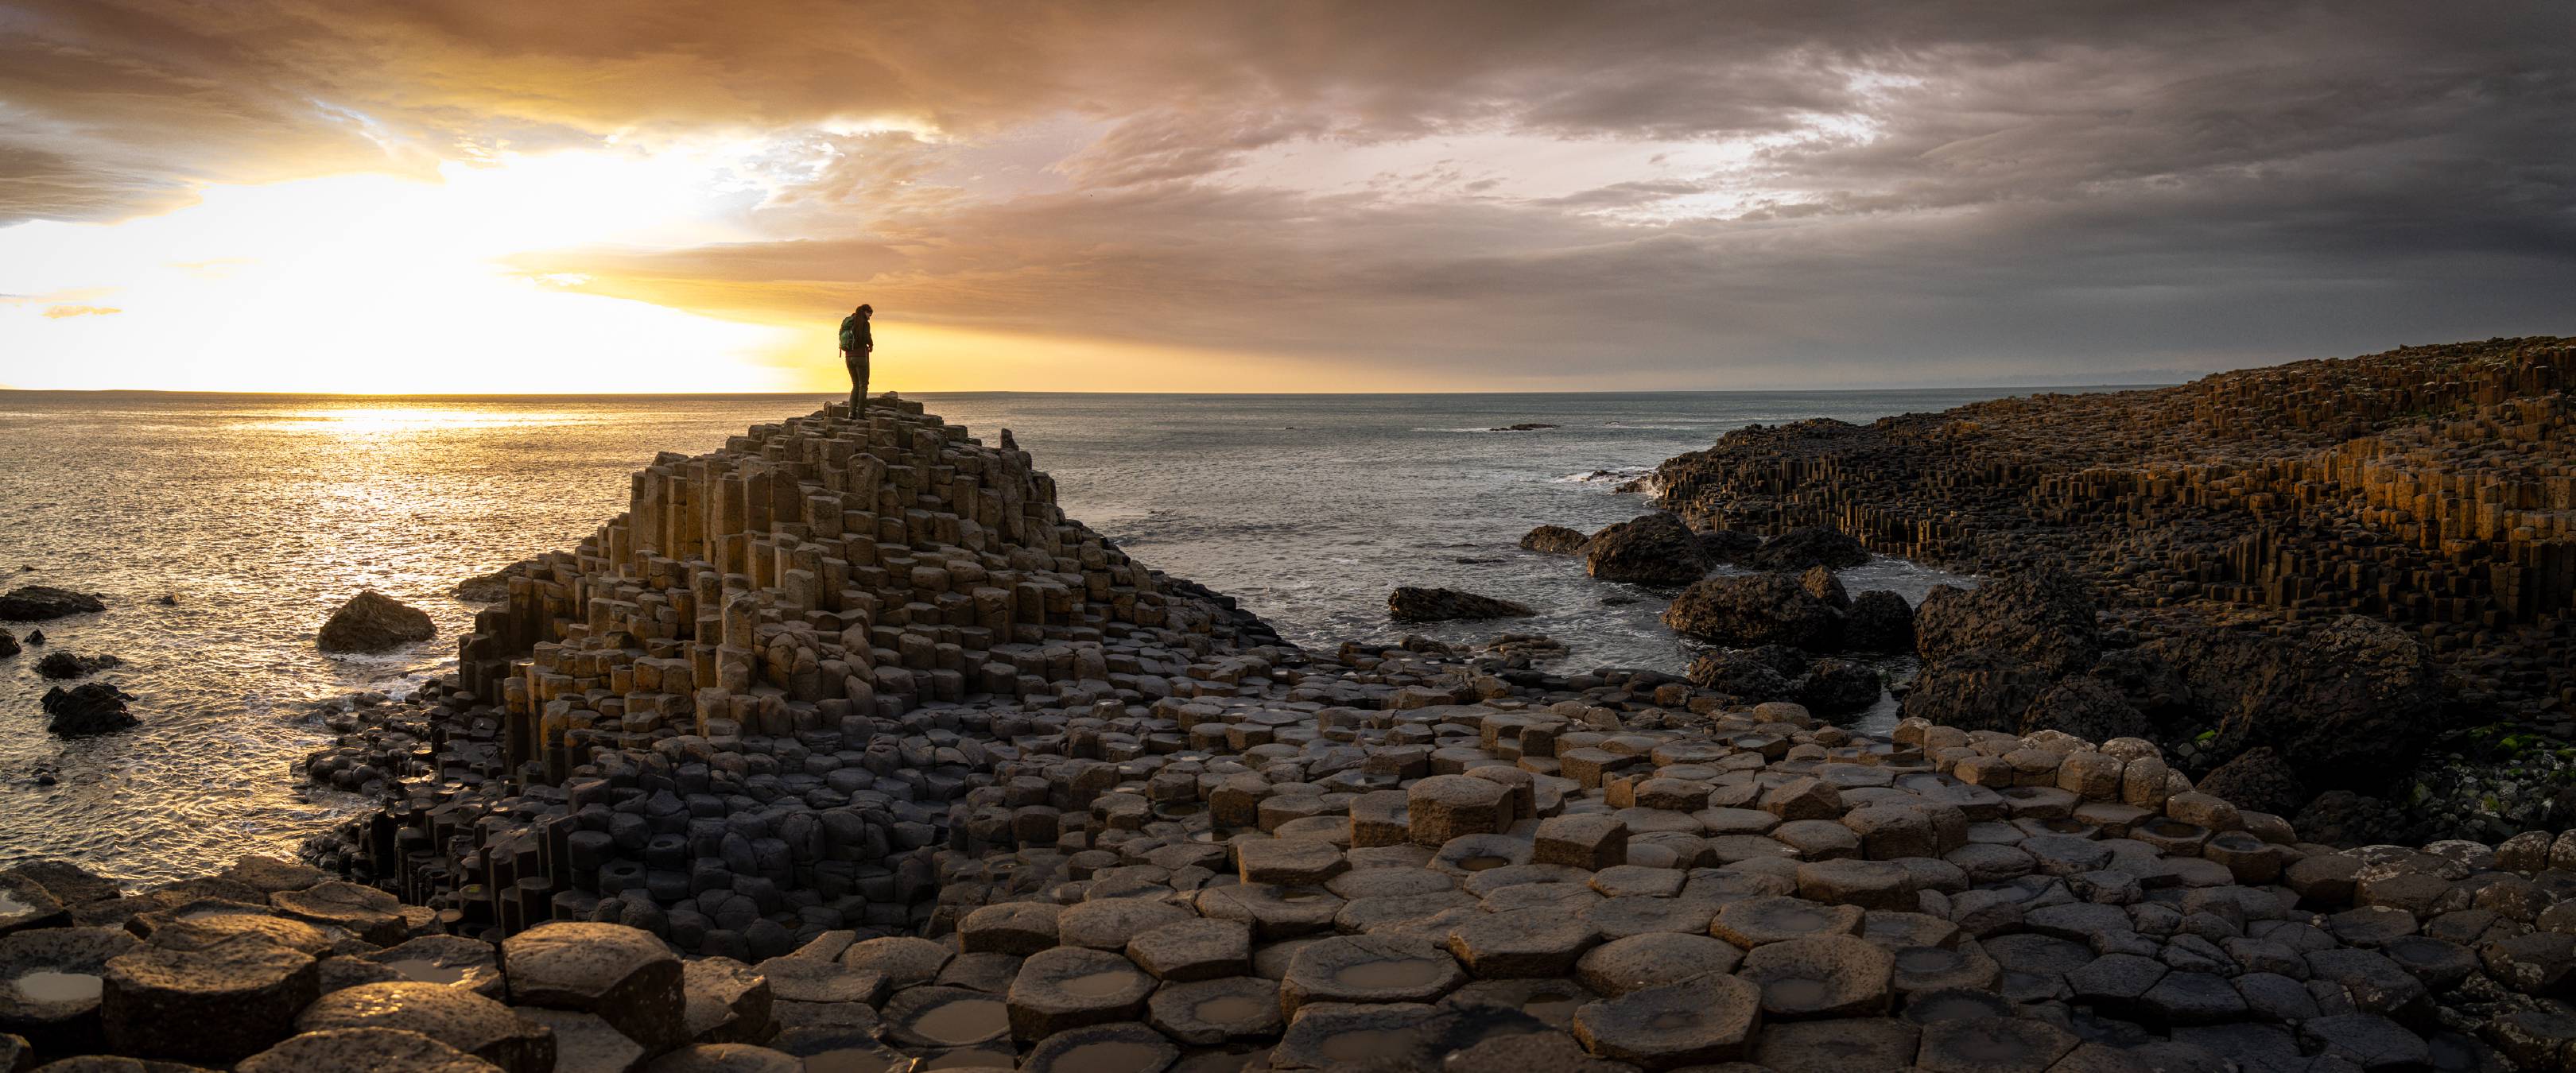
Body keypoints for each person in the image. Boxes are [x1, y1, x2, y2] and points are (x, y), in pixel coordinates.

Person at [838, 304, 874, 409]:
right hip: (861, 356)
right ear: (865, 312)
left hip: (848, 357)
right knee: (863, 385)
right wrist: (871, 345)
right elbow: (867, 337)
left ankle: (851, 413)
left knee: (855, 385)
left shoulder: (849, 321)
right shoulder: (864, 323)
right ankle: (860, 413)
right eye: (869, 314)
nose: (869, 317)